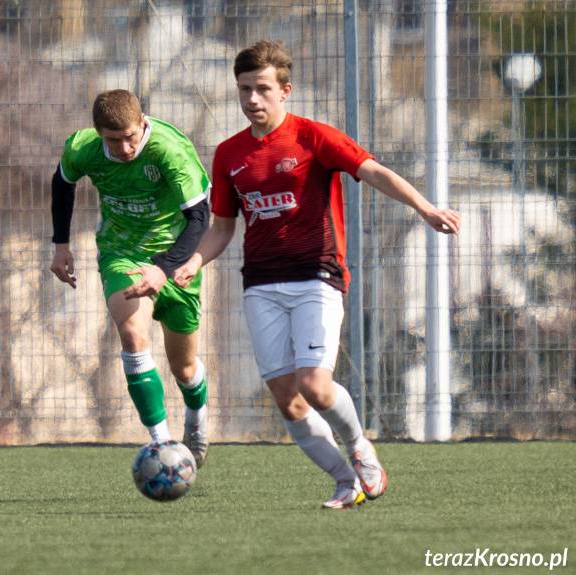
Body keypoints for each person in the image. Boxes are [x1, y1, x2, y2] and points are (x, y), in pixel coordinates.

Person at [174, 40, 460, 507]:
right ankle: (346, 481)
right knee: (288, 401)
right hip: (261, 286)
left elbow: (374, 171)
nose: (251, 100)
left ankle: (360, 446)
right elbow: (222, 228)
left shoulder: (313, 137)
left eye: (262, 89)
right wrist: (192, 261)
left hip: (317, 276)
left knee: (315, 385)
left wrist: (426, 209)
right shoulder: (228, 154)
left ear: (285, 90)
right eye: (244, 89)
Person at [50, 89, 211, 467]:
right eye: (113, 140)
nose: (123, 148)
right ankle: (163, 446)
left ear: (143, 123)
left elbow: (200, 220)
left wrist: (165, 267)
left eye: (130, 137)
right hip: (121, 253)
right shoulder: (82, 149)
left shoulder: (169, 151)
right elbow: (62, 183)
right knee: (133, 335)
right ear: (98, 134)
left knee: (184, 369)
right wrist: (60, 245)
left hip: (177, 257)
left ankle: (197, 419)